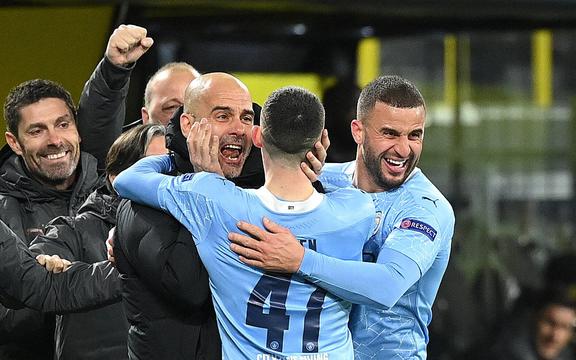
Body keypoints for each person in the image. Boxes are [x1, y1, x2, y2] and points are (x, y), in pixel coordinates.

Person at [113, 81, 379, 358]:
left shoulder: (216, 200)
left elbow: (128, 179)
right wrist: (315, 172)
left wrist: (181, 166)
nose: (238, 128)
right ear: (320, 140)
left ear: (258, 136)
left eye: (246, 117)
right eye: (223, 116)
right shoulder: (357, 210)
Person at [227, 75, 455, 359]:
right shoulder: (325, 179)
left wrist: (299, 260)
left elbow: (386, 286)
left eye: (415, 135)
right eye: (390, 133)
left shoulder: (425, 207)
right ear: (358, 131)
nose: (403, 149)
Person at [27, 124, 166, 360]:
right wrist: (46, 261)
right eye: (153, 167)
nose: (166, 179)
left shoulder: (193, 233)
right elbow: (36, 269)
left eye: (172, 168)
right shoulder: (75, 230)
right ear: (116, 178)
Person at [484, 286, 576, 360]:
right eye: (550, 323)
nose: (555, 336)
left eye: (565, 327)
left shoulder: (566, 355)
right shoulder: (498, 352)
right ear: (533, 319)